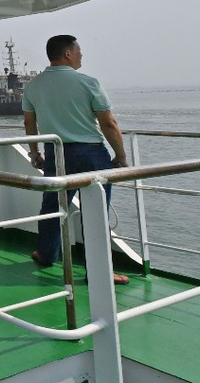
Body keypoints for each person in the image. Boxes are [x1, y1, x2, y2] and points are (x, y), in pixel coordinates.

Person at [22, 34, 129, 282]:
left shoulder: (33, 86)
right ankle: (98, 272)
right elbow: (109, 123)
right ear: (67, 54)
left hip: (56, 153)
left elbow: (30, 123)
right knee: (95, 212)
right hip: (90, 153)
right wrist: (121, 156)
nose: (82, 55)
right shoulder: (89, 82)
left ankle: (47, 254)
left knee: (51, 207)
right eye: (79, 50)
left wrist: (35, 152)